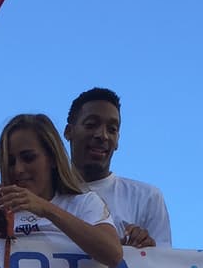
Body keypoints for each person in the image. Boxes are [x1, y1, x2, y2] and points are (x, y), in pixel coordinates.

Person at [0, 114, 123, 266]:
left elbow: (113, 254)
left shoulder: (84, 203)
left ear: (52, 158)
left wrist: (46, 209)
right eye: (10, 162)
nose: (18, 169)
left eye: (29, 158)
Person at [63, 88, 173, 247]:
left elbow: (163, 265)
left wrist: (144, 251)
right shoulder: (45, 196)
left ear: (118, 140)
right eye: (91, 125)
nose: (102, 135)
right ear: (68, 132)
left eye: (112, 129)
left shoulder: (147, 198)